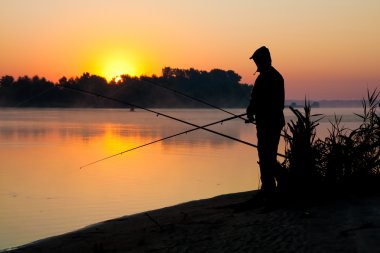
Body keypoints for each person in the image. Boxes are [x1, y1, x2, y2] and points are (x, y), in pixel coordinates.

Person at [246, 46, 285, 197]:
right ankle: (273, 184)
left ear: (264, 60)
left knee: (265, 154)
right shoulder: (275, 76)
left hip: (268, 123)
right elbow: (260, 101)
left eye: (257, 60)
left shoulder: (266, 77)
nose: (255, 63)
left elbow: (258, 100)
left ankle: (271, 185)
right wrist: (253, 112)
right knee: (268, 154)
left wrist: (252, 111)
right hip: (273, 121)